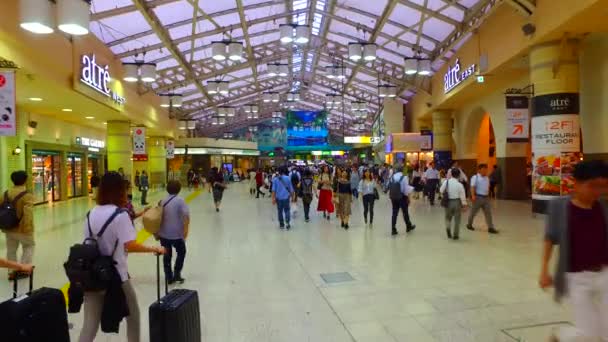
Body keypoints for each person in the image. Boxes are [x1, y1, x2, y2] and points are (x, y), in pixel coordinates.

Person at [78, 171, 165, 342]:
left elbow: (87, 243)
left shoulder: (91, 214)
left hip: (93, 275)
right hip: (117, 275)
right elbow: (129, 245)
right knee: (133, 316)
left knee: (89, 324)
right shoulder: (120, 215)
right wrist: (153, 248)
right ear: (120, 191)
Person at [539, 160, 608, 341]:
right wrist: (544, 270)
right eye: (592, 186)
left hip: (604, 275)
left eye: (603, 187)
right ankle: (560, 336)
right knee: (589, 333)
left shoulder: (603, 207)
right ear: (576, 183)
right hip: (577, 278)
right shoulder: (559, 207)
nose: (598, 192)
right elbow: (550, 238)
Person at [3, 171, 34, 280]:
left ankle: (12, 271)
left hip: (9, 227)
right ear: (25, 180)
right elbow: (28, 214)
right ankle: (24, 270)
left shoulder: (6, 193)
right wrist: (28, 229)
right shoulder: (27, 195)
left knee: (11, 249)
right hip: (22, 228)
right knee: (29, 246)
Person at [158, 180, 190, 285]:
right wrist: (185, 231)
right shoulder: (180, 200)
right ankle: (177, 274)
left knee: (167, 255)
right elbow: (186, 216)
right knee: (181, 252)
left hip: (164, 234)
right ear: (179, 189)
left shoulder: (162, 201)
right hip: (177, 234)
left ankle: (169, 277)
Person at [467, 164, 499, 234]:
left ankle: (490, 228)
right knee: (473, 212)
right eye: (484, 169)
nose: (485, 171)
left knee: (488, 213)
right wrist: (473, 196)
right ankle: (469, 224)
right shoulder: (475, 177)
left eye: (486, 169)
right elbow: (472, 187)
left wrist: (489, 196)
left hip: (486, 198)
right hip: (478, 198)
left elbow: (488, 187)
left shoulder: (487, 178)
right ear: (479, 170)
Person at [440, 168, 468, 240]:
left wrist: (445, 194)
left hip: (448, 202)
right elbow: (462, 196)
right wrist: (464, 205)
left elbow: (441, 190)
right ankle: (456, 235)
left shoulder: (446, 182)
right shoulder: (460, 185)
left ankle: (448, 229)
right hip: (457, 202)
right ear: (458, 175)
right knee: (457, 220)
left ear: (451, 174)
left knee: (448, 218)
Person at [389, 165, 416, 236]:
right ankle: (408, 226)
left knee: (394, 213)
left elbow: (389, 186)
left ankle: (393, 229)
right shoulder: (404, 177)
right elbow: (405, 190)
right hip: (402, 197)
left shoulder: (393, 177)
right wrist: (408, 198)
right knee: (405, 212)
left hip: (393, 197)